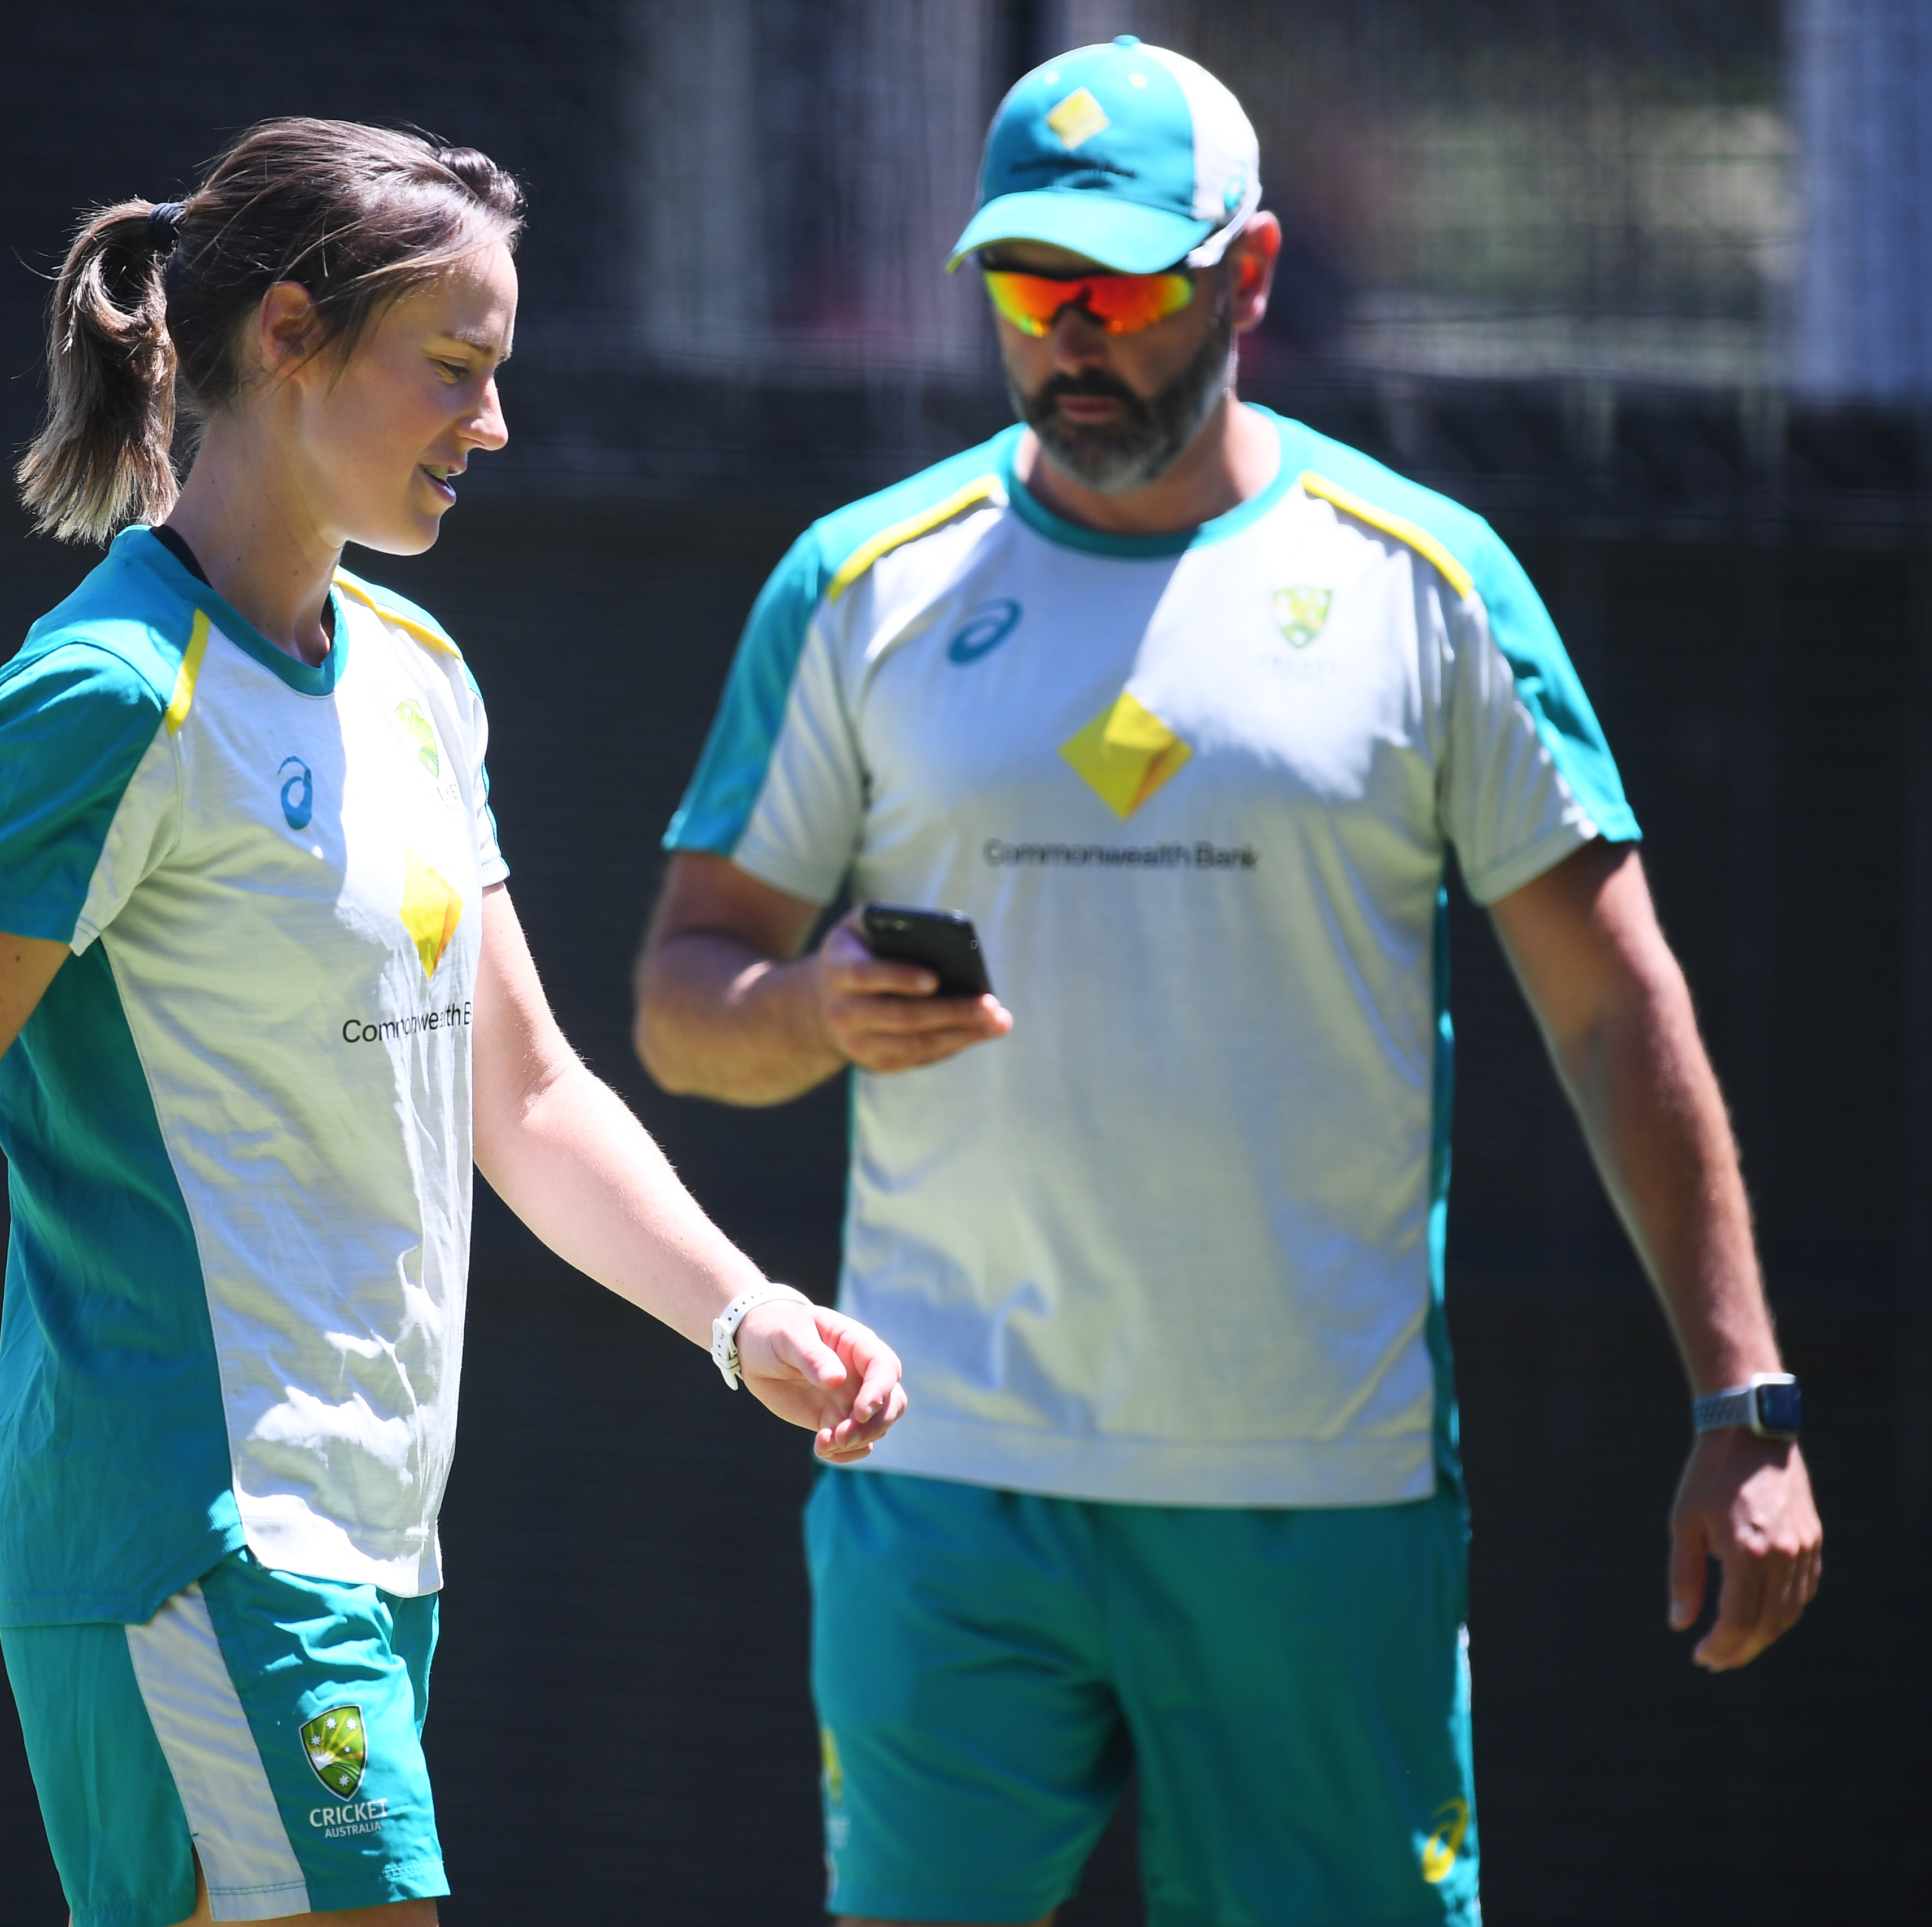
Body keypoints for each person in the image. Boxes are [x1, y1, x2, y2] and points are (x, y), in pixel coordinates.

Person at [0, 117, 906, 1927]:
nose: (496, 421)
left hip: (371, 1540)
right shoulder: (105, 695)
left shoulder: (418, 681)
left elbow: (525, 1090)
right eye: (455, 368)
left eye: (501, 371)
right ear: (290, 332)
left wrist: (745, 1317)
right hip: (192, 1540)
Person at [634, 38, 1820, 1927]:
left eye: (1125, 284)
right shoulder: (857, 583)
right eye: (1032, 287)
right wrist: (802, 1011)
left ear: (1251, 274)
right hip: (945, 1482)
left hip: (1316, 1499)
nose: (1071, 334)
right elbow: (681, 997)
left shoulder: (1432, 583)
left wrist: (1741, 1406)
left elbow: (1616, 1010)